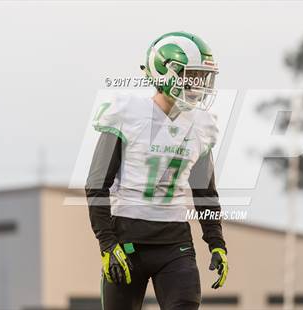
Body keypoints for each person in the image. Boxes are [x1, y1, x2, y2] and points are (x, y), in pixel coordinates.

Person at [85, 31, 228, 310]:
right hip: (127, 239)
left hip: (175, 243)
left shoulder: (201, 124)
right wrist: (107, 243)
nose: (197, 85)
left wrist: (216, 242)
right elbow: (96, 184)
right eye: (191, 75)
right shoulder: (127, 113)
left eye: (201, 77)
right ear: (164, 72)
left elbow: (205, 192)